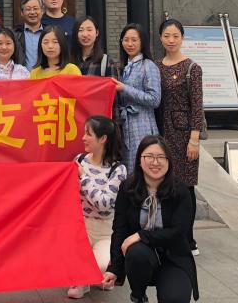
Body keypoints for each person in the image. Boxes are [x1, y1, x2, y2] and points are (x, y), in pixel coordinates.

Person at [102, 136, 199, 303]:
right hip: (142, 258)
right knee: (136, 252)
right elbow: (119, 230)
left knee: (175, 299)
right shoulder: (128, 188)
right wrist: (114, 268)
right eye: (149, 156)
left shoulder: (180, 190)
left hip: (173, 257)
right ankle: (138, 296)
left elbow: (178, 232)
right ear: (140, 160)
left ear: (169, 161)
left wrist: (141, 235)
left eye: (161, 157)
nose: (155, 162)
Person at [157, 18, 203, 256]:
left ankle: (188, 239)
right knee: (165, 186)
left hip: (184, 135)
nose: (171, 40)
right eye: (167, 36)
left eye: (175, 36)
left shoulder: (192, 68)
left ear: (182, 38)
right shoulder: (156, 66)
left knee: (186, 188)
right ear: (160, 38)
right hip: (162, 133)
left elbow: (197, 106)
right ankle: (169, 236)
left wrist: (194, 139)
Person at [67, 115, 127, 299]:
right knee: (64, 253)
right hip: (80, 227)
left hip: (105, 232)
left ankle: (101, 274)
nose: (83, 138)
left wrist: (83, 177)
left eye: (88, 134)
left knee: (101, 264)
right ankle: (82, 280)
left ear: (103, 139)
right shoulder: (80, 160)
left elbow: (104, 204)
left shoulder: (118, 170)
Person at [116, 23, 162, 176]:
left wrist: (125, 88)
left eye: (134, 40)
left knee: (143, 169)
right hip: (126, 125)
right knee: (128, 170)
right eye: (126, 40)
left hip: (143, 125)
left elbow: (155, 99)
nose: (130, 44)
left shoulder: (148, 65)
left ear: (142, 42)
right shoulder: (124, 67)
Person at [15, 0, 45, 69]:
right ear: (22, 13)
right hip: (23, 75)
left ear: (42, 11)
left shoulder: (49, 33)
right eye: (28, 9)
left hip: (46, 75)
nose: (32, 12)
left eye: (35, 8)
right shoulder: (15, 34)